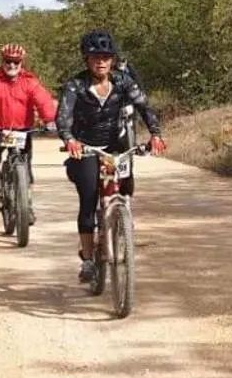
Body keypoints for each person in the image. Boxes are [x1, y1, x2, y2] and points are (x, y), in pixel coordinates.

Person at [56, 30, 167, 283]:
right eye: (95, 57)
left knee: (126, 186)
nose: (101, 62)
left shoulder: (123, 82)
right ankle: (86, 259)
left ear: (113, 59)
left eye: (106, 56)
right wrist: (69, 139)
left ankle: (121, 222)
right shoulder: (76, 85)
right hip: (85, 148)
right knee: (87, 197)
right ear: (86, 59)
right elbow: (63, 116)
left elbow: (145, 107)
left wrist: (156, 134)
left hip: (115, 146)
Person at [0, 44, 58, 192]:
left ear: (21, 63)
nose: (12, 65)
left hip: (22, 129)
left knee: (26, 166)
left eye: (16, 62)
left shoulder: (29, 81)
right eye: (8, 61)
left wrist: (50, 119)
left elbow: (43, 100)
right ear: (2, 61)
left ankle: (26, 205)